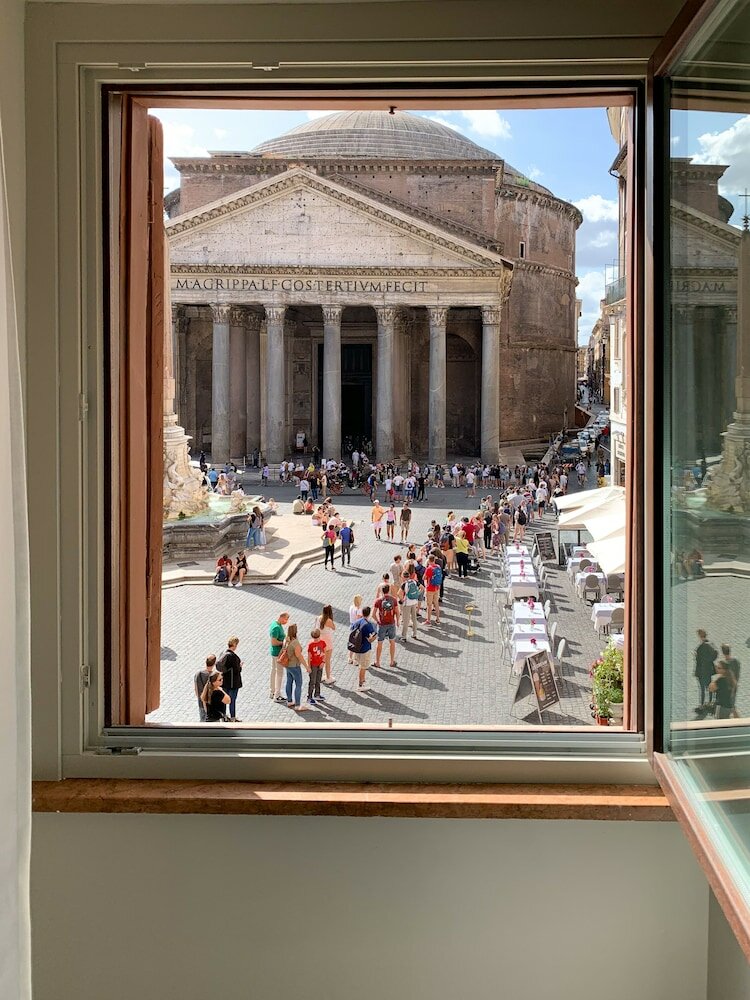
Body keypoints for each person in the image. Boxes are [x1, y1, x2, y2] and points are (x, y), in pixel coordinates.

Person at [349, 606, 377, 693]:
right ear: (369, 614)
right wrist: (375, 636)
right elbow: (370, 639)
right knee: (363, 667)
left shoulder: (357, 622)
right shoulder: (368, 625)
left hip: (357, 647)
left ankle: (363, 681)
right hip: (365, 648)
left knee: (361, 666)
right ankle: (361, 684)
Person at [281, 624, 309, 711]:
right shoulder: (295, 642)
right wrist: (307, 666)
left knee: (289, 681)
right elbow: (299, 656)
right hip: (295, 666)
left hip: (287, 665)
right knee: (298, 684)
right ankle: (297, 705)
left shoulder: (286, 640)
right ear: (295, 631)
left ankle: (289, 701)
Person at [216, 636, 243, 722]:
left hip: (225, 682)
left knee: (224, 700)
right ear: (234, 645)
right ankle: (233, 717)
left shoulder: (222, 653)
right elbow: (237, 670)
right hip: (233, 683)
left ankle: (223, 716)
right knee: (232, 700)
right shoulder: (233, 657)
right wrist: (240, 666)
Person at [373, 583, 399, 669]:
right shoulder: (394, 600)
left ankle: (377, 662)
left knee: (379, 643)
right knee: (392, 642)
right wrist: (398, 621)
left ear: (382, 591)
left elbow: (373, 614)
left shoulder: (378, 601)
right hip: (391, 623)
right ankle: (391, 661)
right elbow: (397, 612)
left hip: (382, 624)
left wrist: (378, 621)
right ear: (389, 591)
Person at [694, 629, 718, 712]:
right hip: (708, 670)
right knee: (709, 687)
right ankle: (710, 702)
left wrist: (697, 656)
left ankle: (702, 704)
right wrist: (709, 661)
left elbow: (698, 660)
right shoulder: (711, 644)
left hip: (701, 671)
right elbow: (715, 653)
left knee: (702, 689)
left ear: (700, 636)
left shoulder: (701, 647)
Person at [269, 611, 290, 702]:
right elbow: (274, 642)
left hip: (274, 653)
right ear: (281, 617)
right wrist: (284, 643)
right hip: (278, 653)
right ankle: (277, 695)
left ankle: (272, 691)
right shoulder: (276, 628)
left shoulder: (275, 624)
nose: (286, 621)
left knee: (274, 671)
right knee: (279, 673)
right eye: (286, 619)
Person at [717, 644, 741, 718]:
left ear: (723, 653)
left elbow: (723, 677)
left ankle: (738, 722)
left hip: (728, 689)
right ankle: (739, 721)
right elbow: (738, 673)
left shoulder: (725, 664)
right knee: (732, 706)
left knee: (731, 706)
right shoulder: (736, 661)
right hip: (735, 685)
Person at [194, 653, 217, 722]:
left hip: (201, 702)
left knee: (202, 721)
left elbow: (196, 690)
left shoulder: (198, 674)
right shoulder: (215, 676)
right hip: (212, 705)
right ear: (214, 663)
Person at [306, 628, 326, 706]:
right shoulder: (311, 645)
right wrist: (309, 666)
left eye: (317, 638)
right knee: (312, 681)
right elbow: (309, 656)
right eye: (315, 638)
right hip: (313, 665)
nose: (316, 639)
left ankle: (317, 694)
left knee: (318, 679)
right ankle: (309, 697)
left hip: (320, 663)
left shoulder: (322, 643)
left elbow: (324, 652)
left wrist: (323, 662)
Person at [399, 570, 420, 642]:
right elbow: (423, 588)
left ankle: (404, 636)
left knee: (406, 620)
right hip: (414, 602)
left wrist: (402, 600)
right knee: (414, 619)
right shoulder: (414, 581)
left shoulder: (404, 584)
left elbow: (399, 593)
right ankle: (414, 634)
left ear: (403, 577)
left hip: (407, 603)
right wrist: (417, 594)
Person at [318, 604, 336, 684]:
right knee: (327, 660)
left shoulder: (319, 618)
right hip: (327, 641)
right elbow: (334, 627)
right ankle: (328, 677)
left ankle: (320, 676)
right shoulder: (328, 620)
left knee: (321, 659)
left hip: (320, 640)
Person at [424, 554, 442, 626]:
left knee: (429, 605)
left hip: (430, 588)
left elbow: (424, 578)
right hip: (436, 588)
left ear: (429, 560)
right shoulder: (438, 567)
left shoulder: (429, 568)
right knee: (436, 604)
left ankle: (428, 620)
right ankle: (437, 619)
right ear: (434, 560)